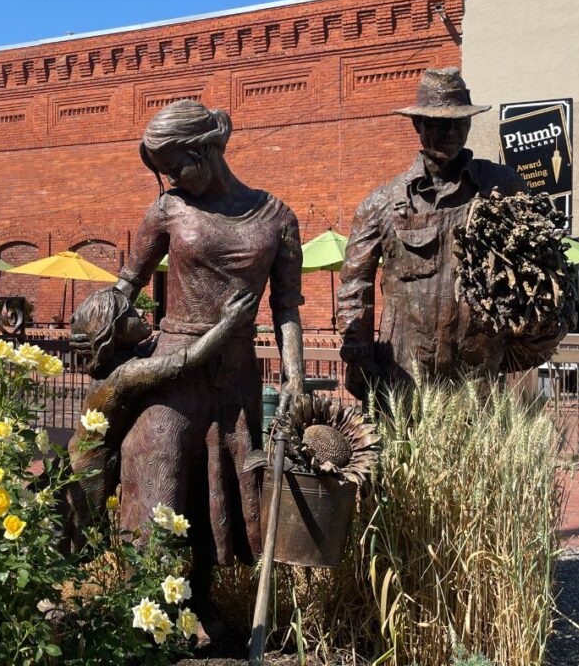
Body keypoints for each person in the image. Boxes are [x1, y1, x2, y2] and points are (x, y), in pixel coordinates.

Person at [106, 99, 305, 631]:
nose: (168, 178)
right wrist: (103, 328)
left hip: (235, 375)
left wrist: (295, 375)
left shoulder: (278, 217)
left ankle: (198, 606)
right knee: (159, 480)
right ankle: (145, 614)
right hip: (172, 372)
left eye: (175, 164)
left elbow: (286, 307)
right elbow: (125, 287)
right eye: (161, 169)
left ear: (207, 150)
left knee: (217, 490)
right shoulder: (168, 210)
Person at [336, 67, 534, 400]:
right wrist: (358, 351)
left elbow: (533, 267)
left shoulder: (502, 187)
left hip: (477, 374)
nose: (450, 133)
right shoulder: (382, 202)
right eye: (438, 124)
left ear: (470, 123)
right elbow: (355, 283)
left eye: (459, 122)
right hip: (404, 372)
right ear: (418, 125)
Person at [64, 287, 259, 545]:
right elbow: (184, 361)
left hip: (97, 454)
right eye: (130, 314)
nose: (141, 314)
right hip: (91, 464)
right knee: (78, 537)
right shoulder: (124, 374)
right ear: (115, 331)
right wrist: (228, 323)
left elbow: (158, 348)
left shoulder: (123, 359)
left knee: (81, 534)